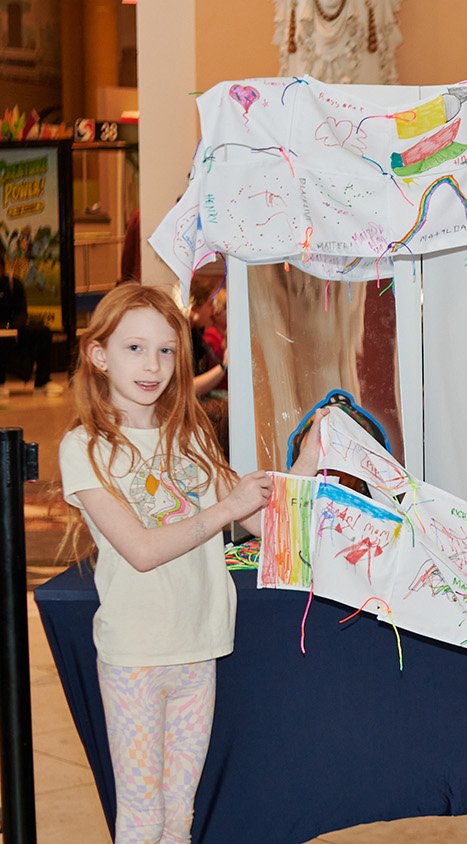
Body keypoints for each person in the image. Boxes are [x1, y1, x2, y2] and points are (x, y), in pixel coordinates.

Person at [58, 284, 324, 842]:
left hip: (200, 648)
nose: (152, 366)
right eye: (134, 348)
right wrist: (226, 508)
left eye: (165, 350)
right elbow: (141, 550)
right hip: (136, 656)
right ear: (99, 355)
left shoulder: (193, 434)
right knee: (141, 819)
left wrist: (309, 460)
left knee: (179, 818)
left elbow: (263, 521)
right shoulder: (84, 447)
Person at [0, 250, 61, 396]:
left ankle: (42, 382)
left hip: (13, 330)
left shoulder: (13, 284)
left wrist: (15, 327)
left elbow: (21, 311)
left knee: (43, 332)